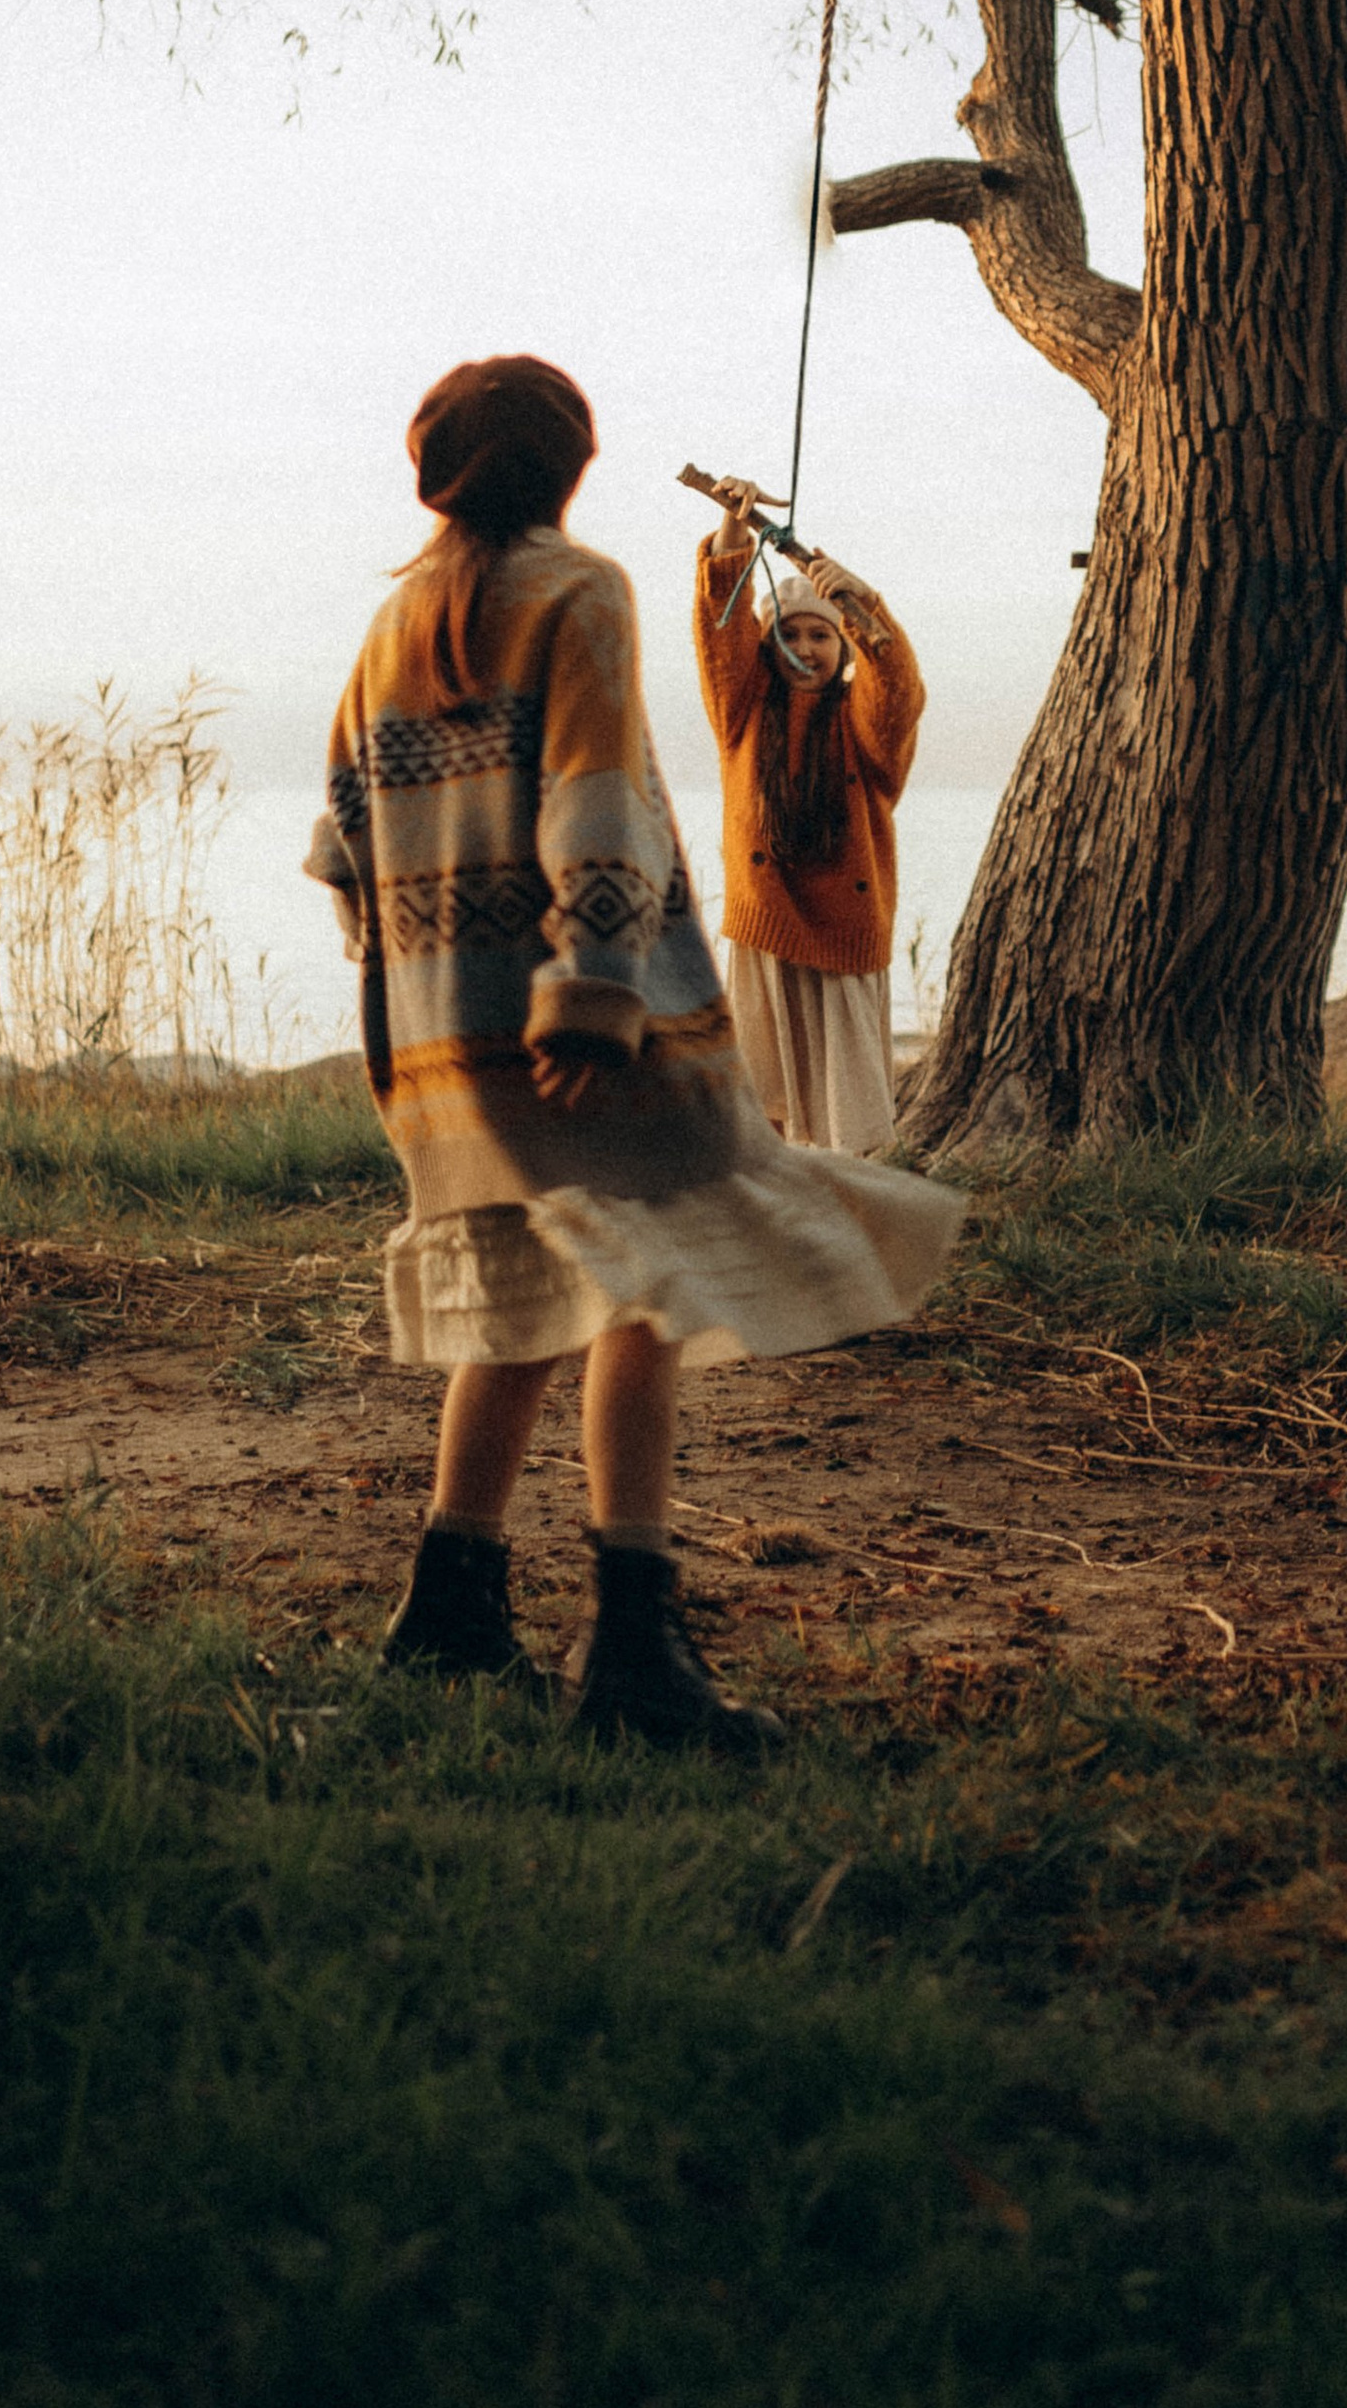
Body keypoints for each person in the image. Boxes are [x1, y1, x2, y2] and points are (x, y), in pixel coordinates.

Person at [306, 356, 962, 1751]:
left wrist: (423, 997)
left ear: (436, 472)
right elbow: (596, 793)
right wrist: (594, 984)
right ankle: (633, 1652)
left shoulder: (392, 617)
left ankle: (453, 1615)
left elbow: (343, 837)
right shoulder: (575, 589)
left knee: (524, 1299)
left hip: (444, 1039)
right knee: (643, 1294)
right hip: (583, 1023)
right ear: (569, 466)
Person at [693, 482, 920, 1156]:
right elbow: (719, 633)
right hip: (764, 930)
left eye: (821, 634)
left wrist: (865, 605)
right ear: (766, 647)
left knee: (851, 1116)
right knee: (765, 1106)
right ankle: (780, 1209)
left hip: (846, 938)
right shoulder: (742, 713)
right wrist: (733, 528)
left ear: (844, 646)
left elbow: (899, 692)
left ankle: (855, 1206)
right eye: (788, 634)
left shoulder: (863, 727)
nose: (805, 647)